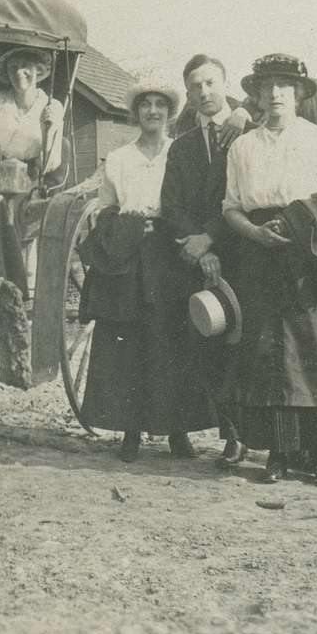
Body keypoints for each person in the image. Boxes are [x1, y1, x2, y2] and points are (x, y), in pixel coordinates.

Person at [222, 53, 317, 488]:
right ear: (257, 94)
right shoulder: (242, 146)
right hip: (261, 255)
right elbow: (230, 207)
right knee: (271, 358)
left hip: (309, 254)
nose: (276, 94)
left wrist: (299, 222)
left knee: (316, 356)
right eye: (267, 86)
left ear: (300, 94)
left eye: (285, 86)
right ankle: (279, 455)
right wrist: (254, 233)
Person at [78, 81, 213, 462]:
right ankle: (130, 431)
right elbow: (106, 205)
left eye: (160, 105)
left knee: (172, 341)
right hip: (129, 255)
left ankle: (178, 432)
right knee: (128, 341)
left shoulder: (181, 152)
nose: (152, 111)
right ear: (135, 114)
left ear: (169, 114)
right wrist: (125, 224)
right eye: (145, 105)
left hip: (170, 256)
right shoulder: (119, 158)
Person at [160, 54, 258, 468]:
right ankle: (179, 427)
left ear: (225, 83)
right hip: (191, 255)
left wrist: (212, 239)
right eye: (195, 86)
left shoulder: (249, 135)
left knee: (234, 342)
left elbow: (245, 195)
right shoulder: (181, 145)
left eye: (211, 83)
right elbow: (171, 203)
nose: (204, 92)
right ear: (188, 92)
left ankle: (235, 436)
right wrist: (198, 246)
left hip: (237, 250)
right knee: (189, 336)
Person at [0, 47, 65, 191]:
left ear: (38, 70)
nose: (18, 72)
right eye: (13, 67)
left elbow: (51, 161)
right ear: (7, 74)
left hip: (34, 181)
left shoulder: (52, 106)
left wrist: (45, 130)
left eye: (25, 66)